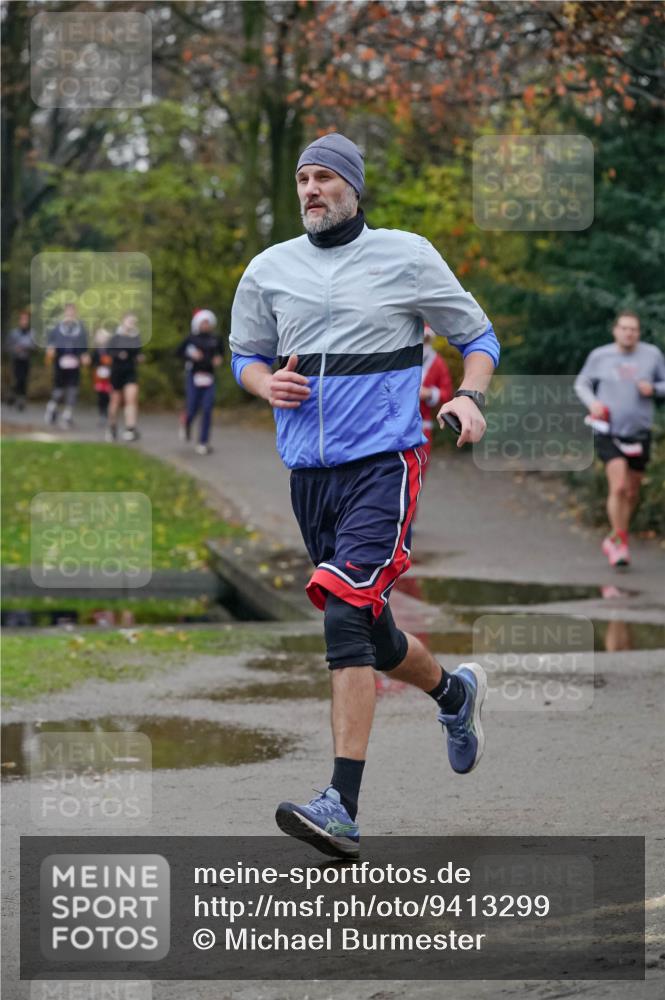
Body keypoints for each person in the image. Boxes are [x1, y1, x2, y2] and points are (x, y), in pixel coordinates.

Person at [230, 132, 500, 859]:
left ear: (353, 188)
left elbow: (477, 335)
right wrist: (264, 384)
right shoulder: (268, 269)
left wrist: (469, 397)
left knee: (345, 612)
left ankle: (339, 805)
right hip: (308, 478)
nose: (311, 189)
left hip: (385, 463)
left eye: (324, 178)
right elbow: (245, 356)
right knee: (370, 631)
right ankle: (452, 693)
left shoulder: (405, 255)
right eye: (302, 179)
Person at [574, 310, 665, 568]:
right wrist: (593, 403)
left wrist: (655, 389)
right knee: (619, 487)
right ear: (615, 330)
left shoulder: (652, 355)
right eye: (624, 328)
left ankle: (617, 536)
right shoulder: (601, 356)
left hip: (639, 432)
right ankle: (619, 541)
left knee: (633, 492)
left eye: (633, 329)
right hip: (607, 429)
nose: (628, 333)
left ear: (639, 332)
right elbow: (582, 383)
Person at [176, 309, 224, 455]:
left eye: (208, 322)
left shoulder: (215, 339)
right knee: (192, 407)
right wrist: (191, 356)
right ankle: (186, 422)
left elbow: (221, 354)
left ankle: (203, 442)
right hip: (193, 376)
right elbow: (178, 353)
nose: (205, 325)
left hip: (209, 377)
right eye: (203, 322)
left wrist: (219, 359)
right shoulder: (191, 339)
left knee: (208, 408)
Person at [44, 303, 89, 428]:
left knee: (72, 390)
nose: (70, 314)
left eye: (72, 312)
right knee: (58, 390)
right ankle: (52, 408)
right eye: (68, 311)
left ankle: (67, 415)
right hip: (60, 363)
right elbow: (50, 344)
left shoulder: (81, 330)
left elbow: (84, 348)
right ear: (65, 312)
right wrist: (50, 351)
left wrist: (84, 356)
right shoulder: (57, 328)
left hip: (74, 365)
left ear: (75, 313)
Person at [419, 324, 454, 473]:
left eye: (426, 340)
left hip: (422, 425)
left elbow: (447, 393)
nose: (423, 343)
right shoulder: (401, 359)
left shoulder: (437, 363)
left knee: (419, 470)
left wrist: (429, 393)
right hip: (393, 425)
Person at [106, 312, 143, 442]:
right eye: (130, 321)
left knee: (131, 399)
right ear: (123, 321)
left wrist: (139, 357)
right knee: (115, 401)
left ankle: (130, 428)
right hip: (117, 372)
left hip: (130, 372)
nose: (132, 324)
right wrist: (118, 354)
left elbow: (138, 353)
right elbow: (108, 352)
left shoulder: (136, 338)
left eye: (134, 322)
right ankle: (112, 427)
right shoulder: (115, 338)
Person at [7, 309, 36, 409]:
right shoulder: (14, 333)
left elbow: (34, 347)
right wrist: (16, 349)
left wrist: (27, 348)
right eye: (23, 319)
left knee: (24, 379)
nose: (24, 321)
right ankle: (14, 395)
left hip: (26, 359)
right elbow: (8, 346)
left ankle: (20, 399)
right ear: (20, 321)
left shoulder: (31, 333)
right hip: (16, 359)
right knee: (18, 379)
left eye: (26, 319)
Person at [90, 328, 113, 425]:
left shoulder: (111, 350)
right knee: (101, 396)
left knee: (109, 396)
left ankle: (110, 414)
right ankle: (102, 414)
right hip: (99, 377)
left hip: (109, 377)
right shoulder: (95, 351)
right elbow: (92, 364)